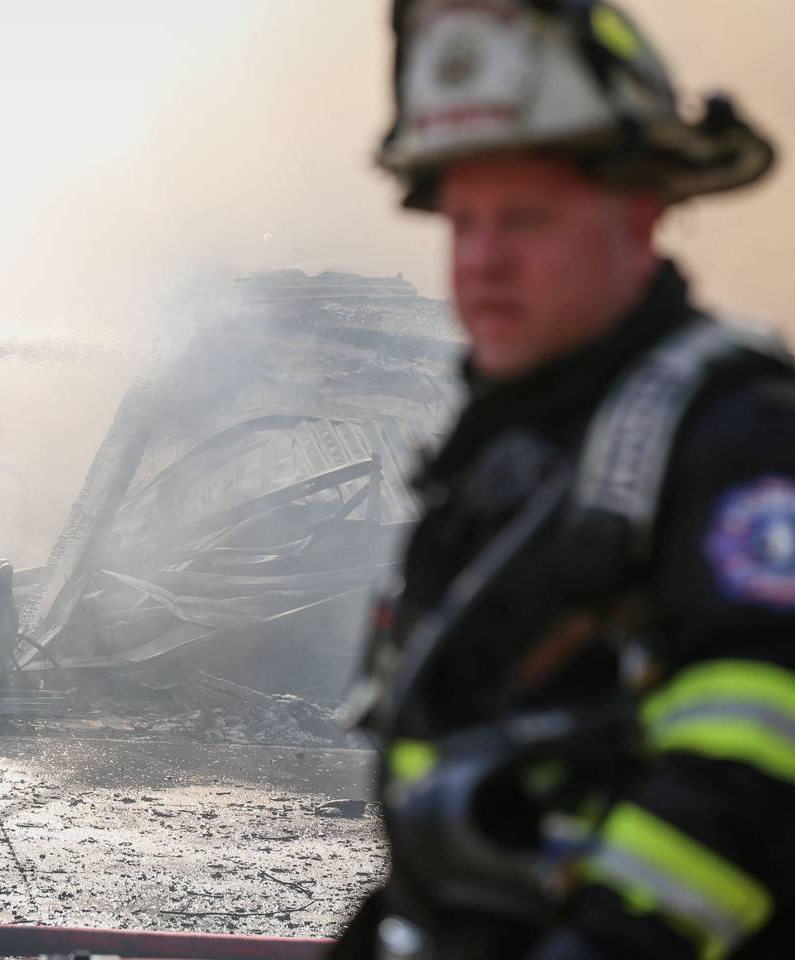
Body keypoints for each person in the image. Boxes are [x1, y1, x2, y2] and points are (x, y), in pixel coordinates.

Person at [335, 2, 789, 958]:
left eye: (526, 218)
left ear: (644, 212)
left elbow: (756, 751)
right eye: (462, 223)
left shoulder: (739, 440)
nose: (482, 265)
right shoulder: (518, 450)